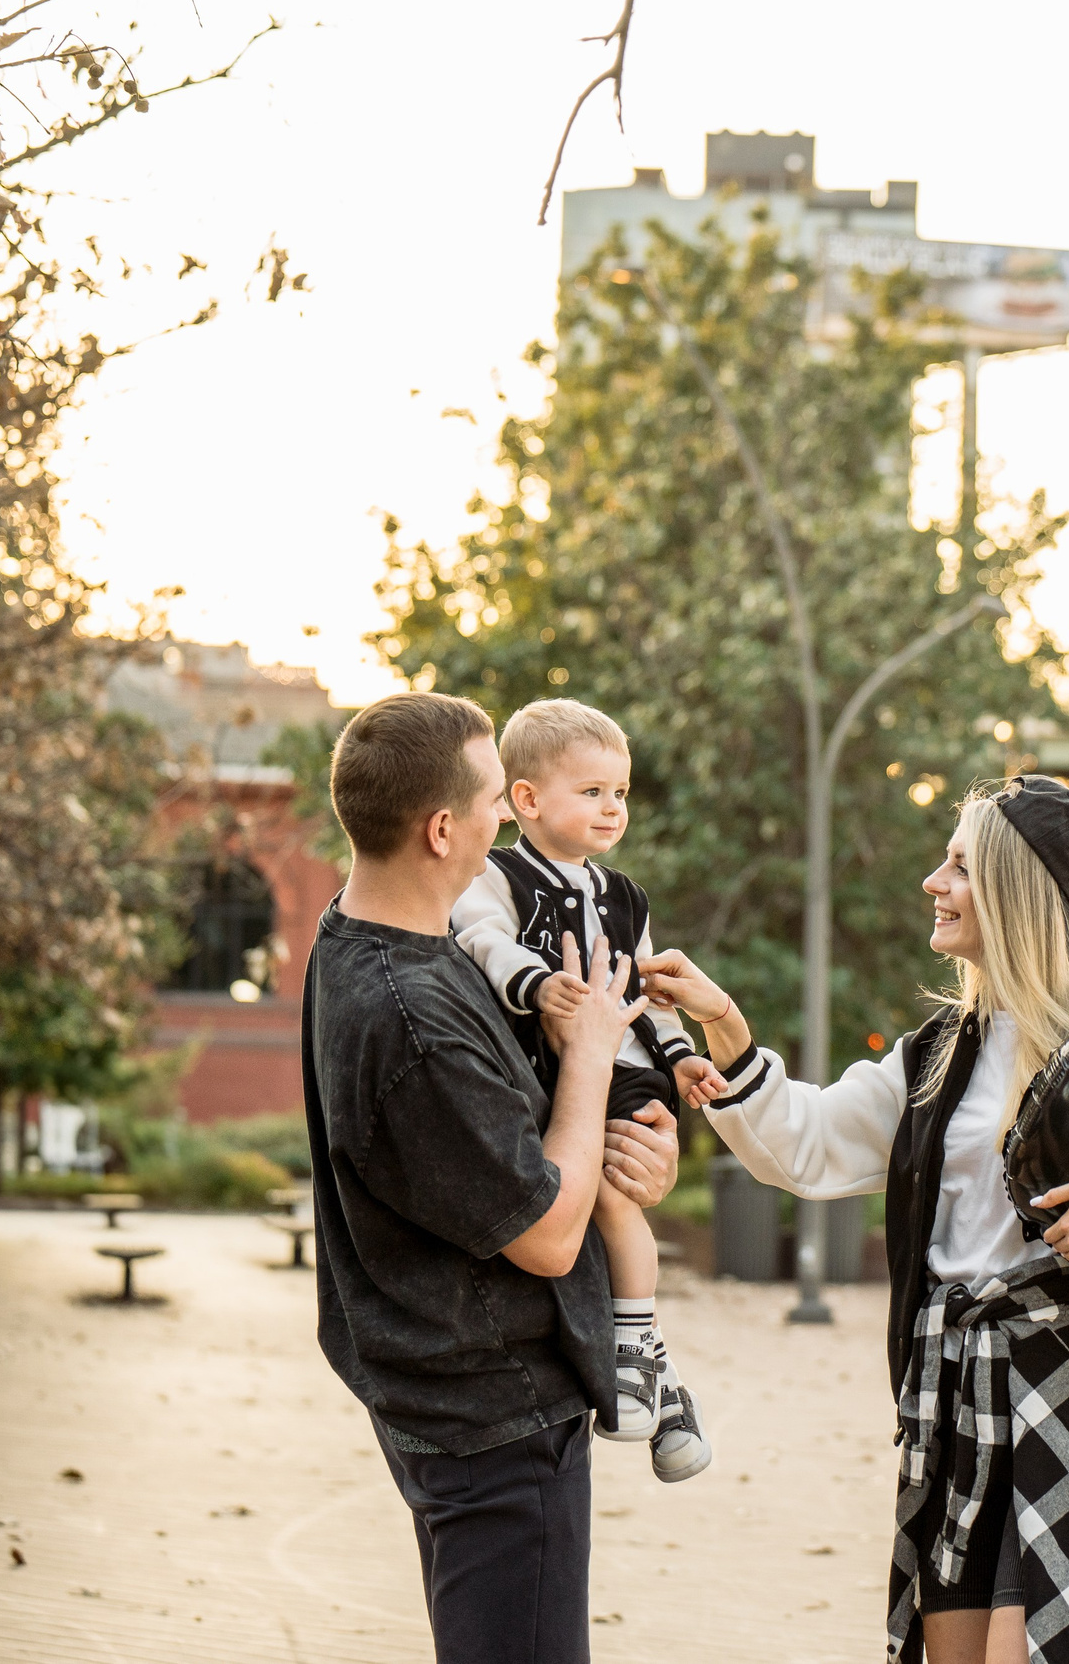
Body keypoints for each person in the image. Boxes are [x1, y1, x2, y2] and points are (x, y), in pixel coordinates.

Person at [641, 776, 1069, 1664]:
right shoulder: (935, 1055)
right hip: (952, 1387)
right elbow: (806, 1148)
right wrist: (724, 1024)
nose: (934, 880)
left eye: (959, 865)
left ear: (1014, 887)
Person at [300, 691, 682, 1664]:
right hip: (493, 1414)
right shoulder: (415, 1016)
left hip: (444, 1383)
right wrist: (594, 1056)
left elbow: (528, 1130)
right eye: (491, 803)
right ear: (440, 830)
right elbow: (549, 1235)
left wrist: (636, 1135)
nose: (506, 820)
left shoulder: (366, 933)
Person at [452, 699, 719, 1481]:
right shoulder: (497, 876)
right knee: (571, 1215)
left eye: (622, 793)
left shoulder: (626, 897)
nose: (613, 808)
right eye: (593, 791)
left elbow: (647, 997)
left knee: (607, 1194)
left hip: (619, 1069)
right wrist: (535, 988)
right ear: (526, 800)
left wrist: (679, 1058)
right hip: (542, 1072)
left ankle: (635, 1340)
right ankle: (660, 1385)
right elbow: (480, 939)